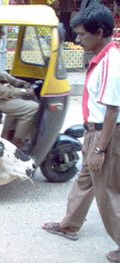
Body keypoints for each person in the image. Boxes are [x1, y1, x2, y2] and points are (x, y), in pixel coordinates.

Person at [41, 4, 120, 263]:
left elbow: (112, 111)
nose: (78, 39)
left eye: (82, 34)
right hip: (93, 133)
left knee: (106, 193)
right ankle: (69, 225)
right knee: (84, 181)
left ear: (99, 33)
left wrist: (100, 149)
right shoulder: (101, 58)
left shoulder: (111, 61)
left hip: (104, 135)